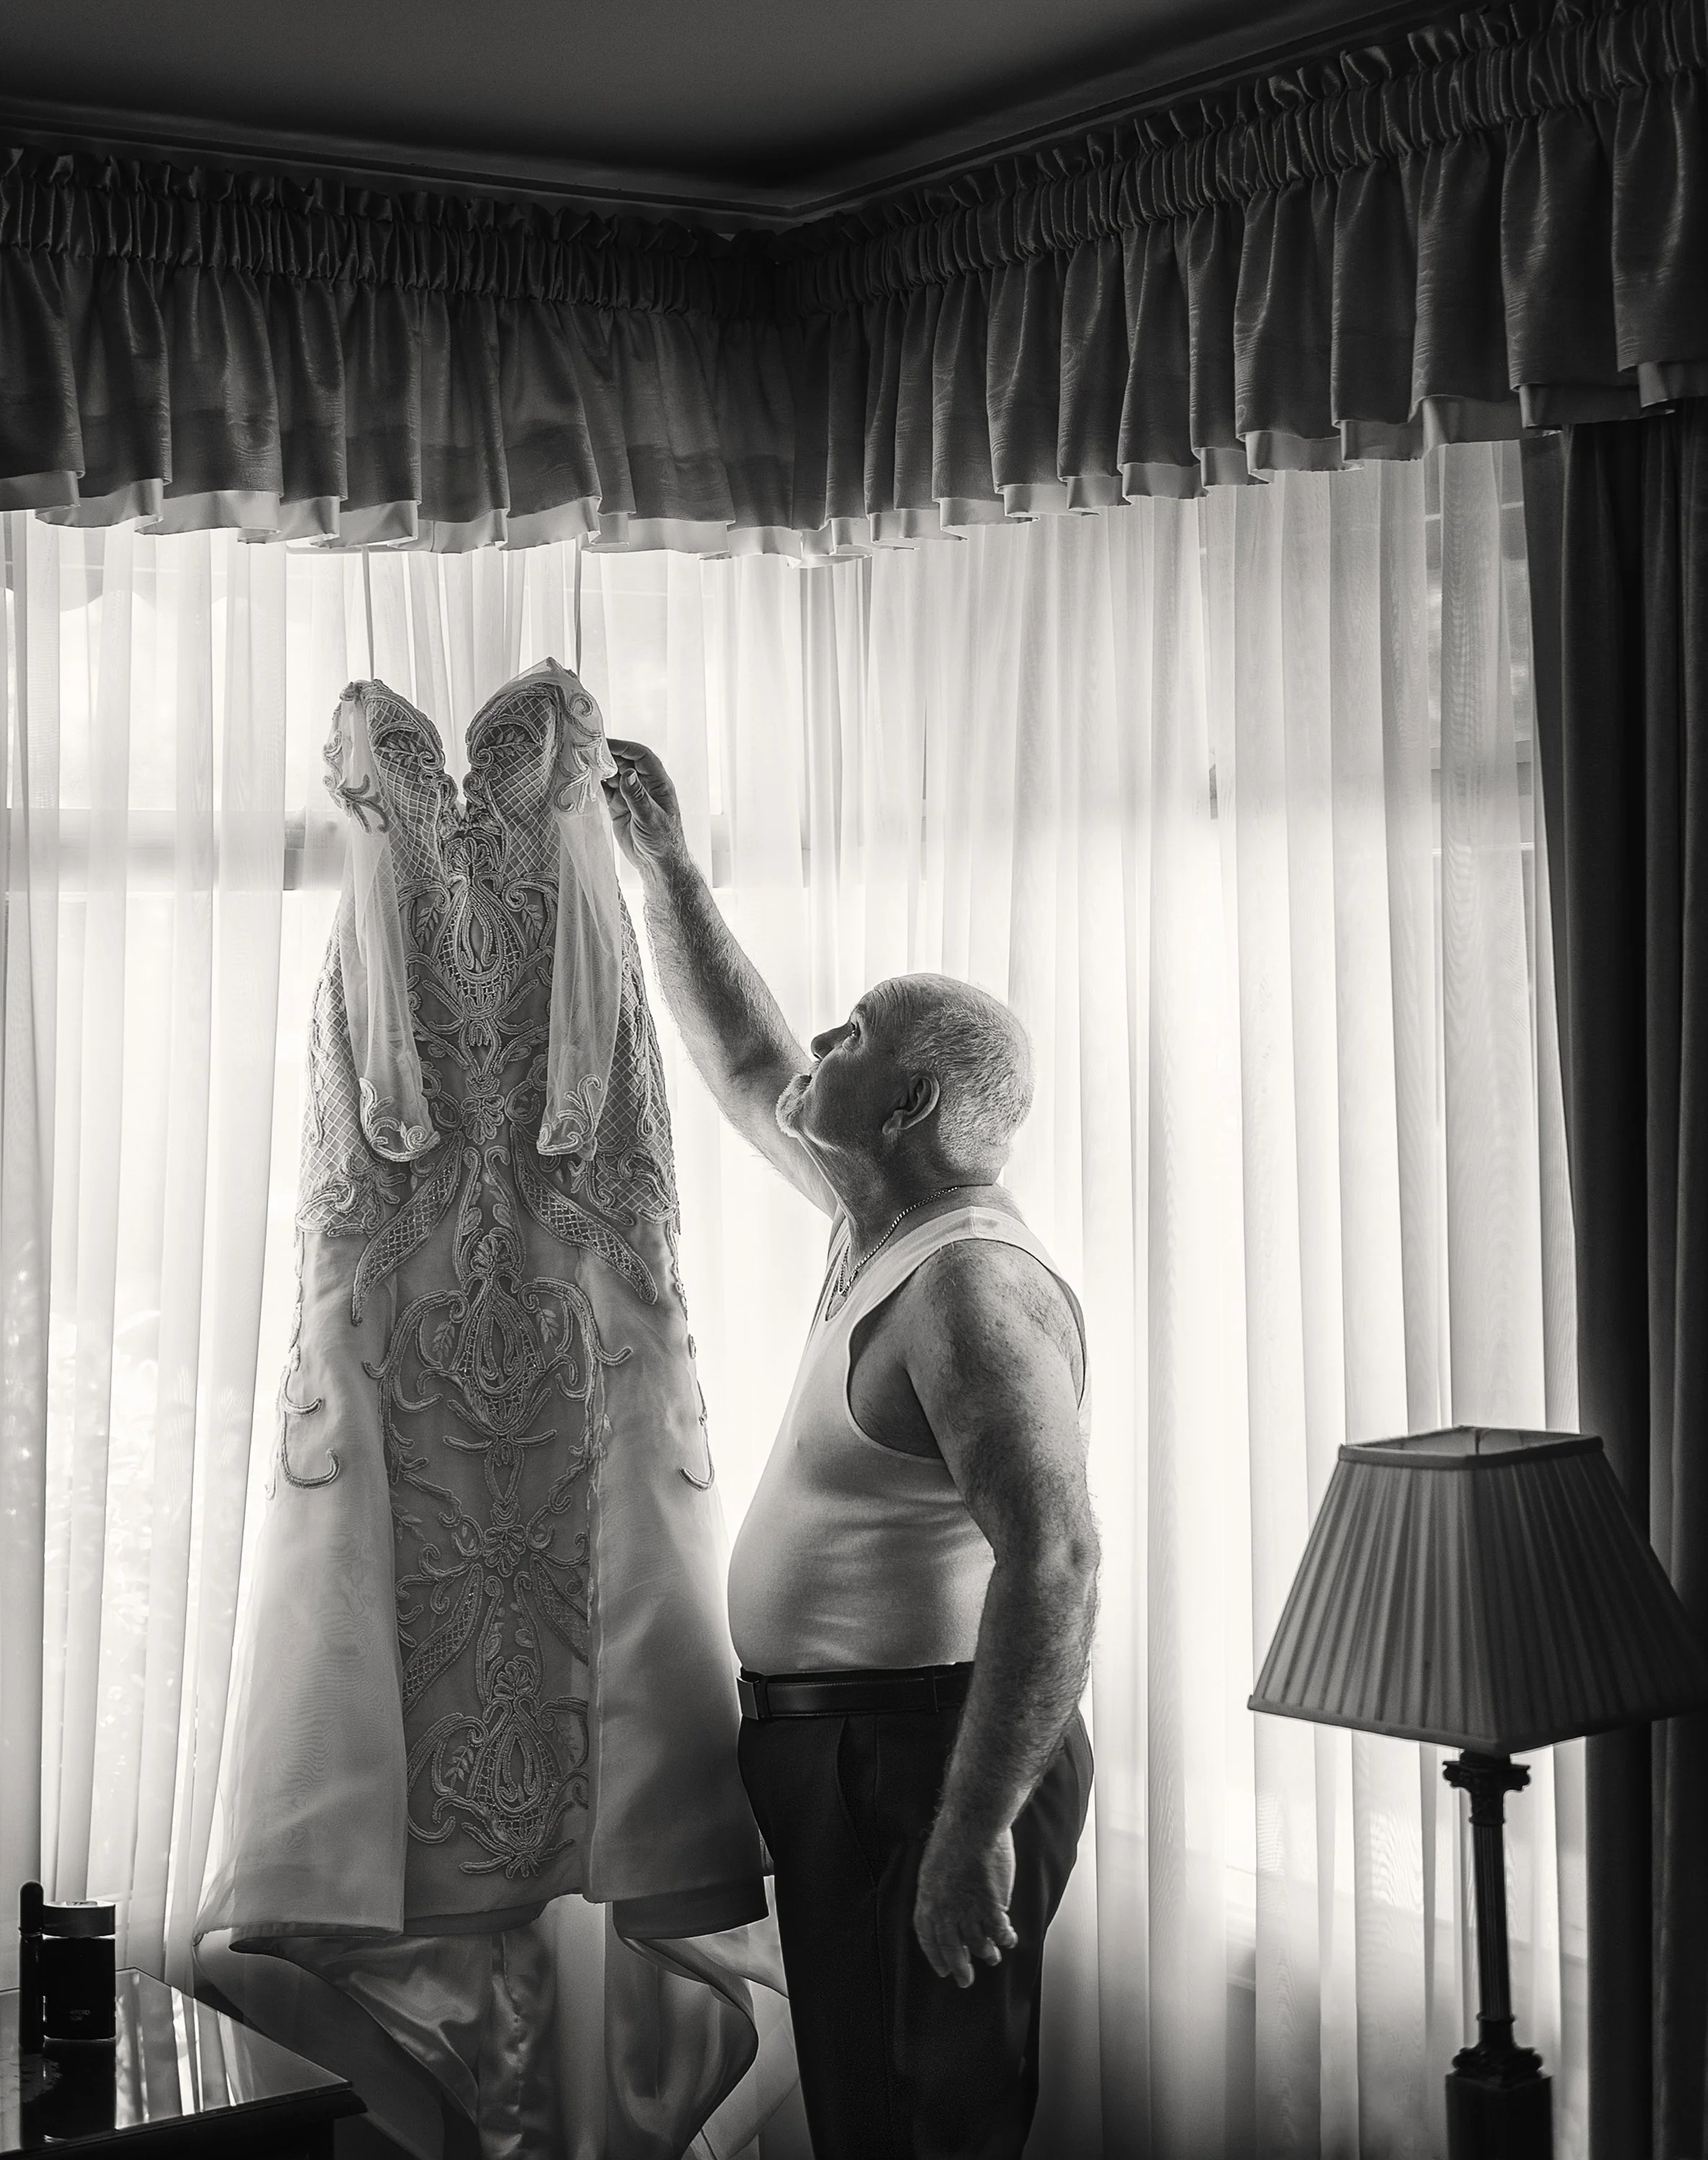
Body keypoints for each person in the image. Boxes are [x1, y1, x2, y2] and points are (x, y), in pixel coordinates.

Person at [603, 737, 1100, 2160]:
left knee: (931, 2126)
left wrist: (972, 1830)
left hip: (932, 1755)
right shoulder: (877, 1221)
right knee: (863, 2117)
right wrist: (668, 869)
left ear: (907, 1107)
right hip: (849, 1753)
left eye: (855, 1034)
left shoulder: (968, 1288)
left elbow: (1058, 1562)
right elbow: (747, 1061)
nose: (820, 1043)